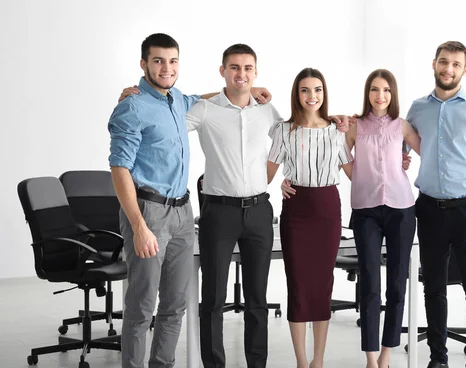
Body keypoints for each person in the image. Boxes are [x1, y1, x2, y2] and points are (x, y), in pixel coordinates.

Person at [109, 34, 270, 368]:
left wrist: (247, 91)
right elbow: (119, 169)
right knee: (141, 306)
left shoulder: (177, 100)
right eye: (158, 61)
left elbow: (208, 99)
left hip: (183, 212)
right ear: (144, 64)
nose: (166, 68)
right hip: (149, 212)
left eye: (172, 61)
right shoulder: (133, 106)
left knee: (175, 305)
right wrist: (139, 226)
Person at [185, 43, 283, 368]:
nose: (241, 74)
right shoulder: (204, 109)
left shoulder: (267, 111)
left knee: (257, 299)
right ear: (223, 71)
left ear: (256, 72)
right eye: (235, 68)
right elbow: (171, 114)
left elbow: (287, 141)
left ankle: (257, 364)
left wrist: (267, 179)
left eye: (248, 68)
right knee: (212, 298)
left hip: (259, 212)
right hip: (219, 213)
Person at [406, 41, 466, 368]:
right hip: (429, 209)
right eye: (443, 62)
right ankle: (438, 359)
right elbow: (402, 150)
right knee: (433, 288)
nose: (448, 68)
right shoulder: (418, 108)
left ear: (465, 70)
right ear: (433, 64)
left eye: (456, 64)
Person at [267, 67, 353, 368]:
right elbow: (266, 173)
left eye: (317, 90)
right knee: (299, 284)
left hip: (328, 208)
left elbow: (353, 171)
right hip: (297, 209)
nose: (312, 96)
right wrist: (280, 182)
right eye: (305, 90)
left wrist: (396, 160)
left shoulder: (336, 130)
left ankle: (318, 360)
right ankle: (302, 362)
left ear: (324, 94)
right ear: (297, 94)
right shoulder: (283, 130)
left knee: (322, 283)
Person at [346, 69, 421, 368]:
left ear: (393, 94)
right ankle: (371, 357)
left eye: (387, 90)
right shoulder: (354, 127)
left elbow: (429, 152)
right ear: (367, 93)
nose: (381, 96)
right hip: (366, 211)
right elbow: (335, 155)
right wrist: (359, 177)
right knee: (370, 283)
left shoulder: (401, 127)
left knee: (397, 283)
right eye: (375, 90)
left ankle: (388, 354)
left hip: (401, 208)